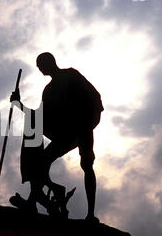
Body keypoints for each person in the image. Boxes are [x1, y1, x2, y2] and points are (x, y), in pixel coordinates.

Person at [10, 52, 104, 222]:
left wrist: (88, 124)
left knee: (87, 164)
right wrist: (19, 105)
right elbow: (39, 117)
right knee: (37, 151)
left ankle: (90, 215)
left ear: (50, 62)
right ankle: (36, 200)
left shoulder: (70, 75)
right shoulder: (48, 91)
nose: (39, 69)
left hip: (82, 127)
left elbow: (94, 98)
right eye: (38, 67)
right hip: (64, 133)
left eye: (41, 65)